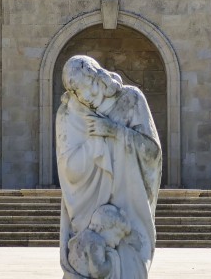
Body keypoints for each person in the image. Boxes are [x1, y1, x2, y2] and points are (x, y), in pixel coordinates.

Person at [57, 56, 161, 279]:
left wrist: (114, 131)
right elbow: (68, 168)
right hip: (87, 203)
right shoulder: (70, 113)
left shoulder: (130, 100)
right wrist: (95, 145)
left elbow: (152, 153)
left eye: (91, 87)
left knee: (133, 265)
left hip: (128, 197)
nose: (89, 97)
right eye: (81, 93)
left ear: (98, 77)